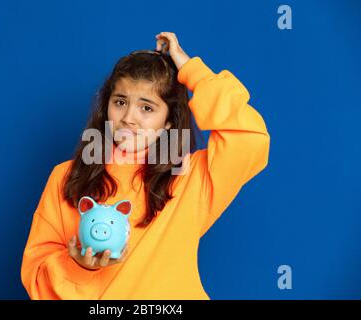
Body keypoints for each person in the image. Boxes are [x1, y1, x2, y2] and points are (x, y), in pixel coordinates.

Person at [20, 31, 270, 299]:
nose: (129, 118)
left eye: (147, 108)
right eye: (120, 102)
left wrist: (190, 69)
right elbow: (35, 274)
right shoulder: (67, 176)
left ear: (168, 122)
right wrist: (79, 267)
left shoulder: (190, 176)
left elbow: (250, 138)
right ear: (106, 108)